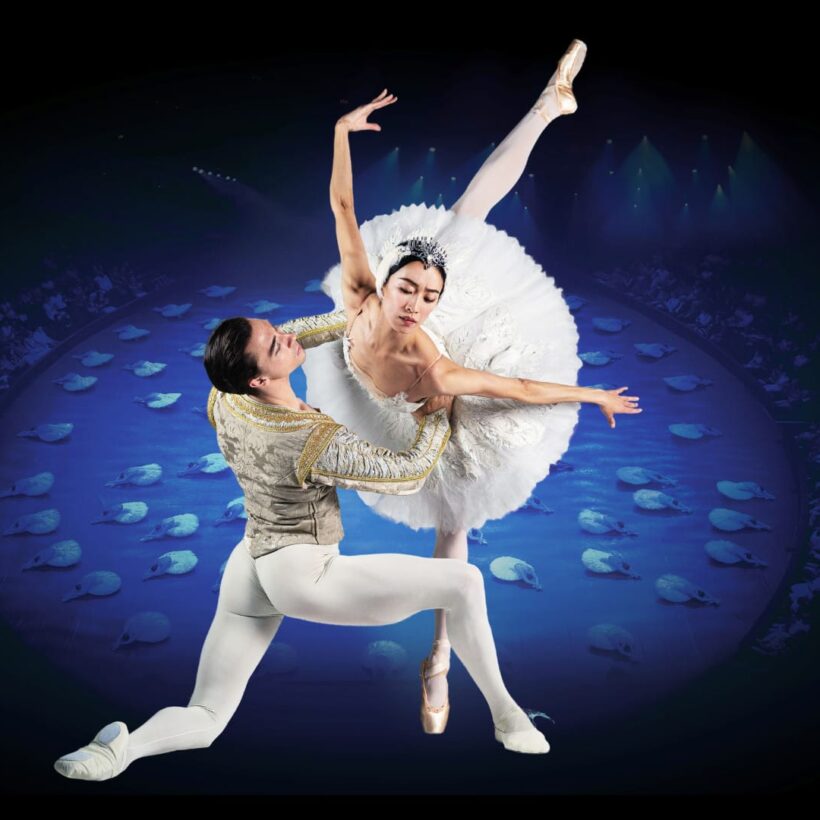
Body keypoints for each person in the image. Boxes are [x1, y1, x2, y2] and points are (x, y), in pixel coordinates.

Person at [289, 40, 643, 727]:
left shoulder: (433, 363)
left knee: (453, 531)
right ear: (386, 283)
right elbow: (340, 204)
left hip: (426, 413)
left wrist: (591, 394)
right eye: (410, 288)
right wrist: (339, 132)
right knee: (461, 217)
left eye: (428, 295)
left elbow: (516, 387)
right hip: (368, 385)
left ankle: (440, 660)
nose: (416, 301)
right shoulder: (363, 293)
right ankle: (548, 106)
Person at [52, 312, 550, 782]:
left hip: (250, 563)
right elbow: (406, 473)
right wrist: (437, 413)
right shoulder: (310, 439)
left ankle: (118, 749)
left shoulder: (224, 398)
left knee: (207, 716)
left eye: (273, 328)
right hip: (306, 576)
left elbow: (290, 334)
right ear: (258, 379)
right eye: (274, 342)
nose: (286, 335)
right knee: (464, 582)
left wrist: (360, 319)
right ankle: (507, 715)